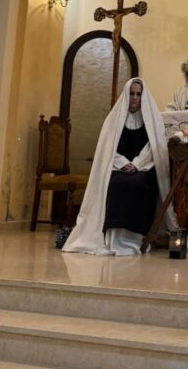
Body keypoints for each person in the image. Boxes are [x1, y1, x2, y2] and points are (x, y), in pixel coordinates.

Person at [63, 78, 178, 256]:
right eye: (131, 94)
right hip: (118, 168)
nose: (135, 98)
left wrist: (136, 164)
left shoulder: (152, 119)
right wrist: (124, 163)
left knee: (138, 184)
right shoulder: (114, 119)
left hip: (144, 169)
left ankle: (135, 238)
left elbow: (153, 148)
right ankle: (114, 238)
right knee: (116, 184)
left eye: (138, 94)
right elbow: (108, 148)